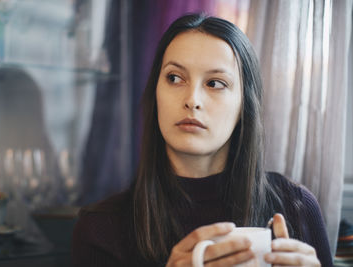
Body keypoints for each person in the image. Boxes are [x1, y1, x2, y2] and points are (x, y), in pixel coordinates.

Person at [72, 14, 333, 267]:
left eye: (215, 83)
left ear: (245, 106)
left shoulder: (296, 208)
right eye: (175, 78)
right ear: (156, 93)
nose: (192, 99)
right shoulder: (101, 229)